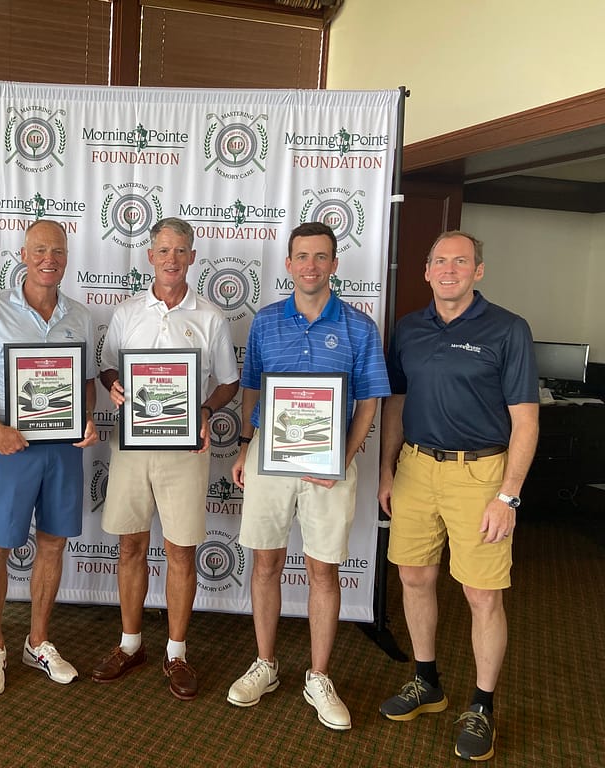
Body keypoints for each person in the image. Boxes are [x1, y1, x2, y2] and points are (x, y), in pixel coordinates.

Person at [377, 231, 538, 761]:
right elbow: (397, 404)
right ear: (426, 271)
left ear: (479, 271)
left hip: (482, 475)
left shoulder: (509, 329)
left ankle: (483, 706)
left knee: (482, 595)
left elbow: (526, 421)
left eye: (461, 261)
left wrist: (508, 496)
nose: (449, 269)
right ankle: (428, 683)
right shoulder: (407, 329)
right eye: (440, 261)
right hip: (416, 468)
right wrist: (386, 471)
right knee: (414, 576)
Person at [226, 222, 390, 730]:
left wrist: (345, 454)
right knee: (266, 563)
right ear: (289, 264)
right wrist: (247, 446)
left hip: (329, 467)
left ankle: (318, 676)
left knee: (323, 570)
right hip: (267, 462)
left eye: (321, 257)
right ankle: (266, 664)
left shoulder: (361, 327)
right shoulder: (266, 321)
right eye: (302, 256)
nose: (311, 266)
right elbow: (251, 387)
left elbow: (370, 400)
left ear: (335, 265)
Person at [91, 217, 239, 700]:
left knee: (180, 552)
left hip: (184, 449)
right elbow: (107, 364)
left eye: (180, 251)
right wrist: (111, 382)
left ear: (192, 257)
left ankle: (176, 652)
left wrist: (204, 409)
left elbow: (228, 380)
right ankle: (130, 645)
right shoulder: (127, 311)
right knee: (130, 547)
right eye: (163, 250)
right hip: (132, 447)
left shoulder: (211, 316)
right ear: (150, 256)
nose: (171, 259)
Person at [0, 219, 98, 696]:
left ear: (66, 257)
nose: (49, 259)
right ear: (22, 253)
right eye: (40, 250)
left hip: (62, 449)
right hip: (9, 447)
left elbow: (85, 383)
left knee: (54, 544)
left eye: (57, 251)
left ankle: (37, 641)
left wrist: (87, 418)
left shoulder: (80, 316)